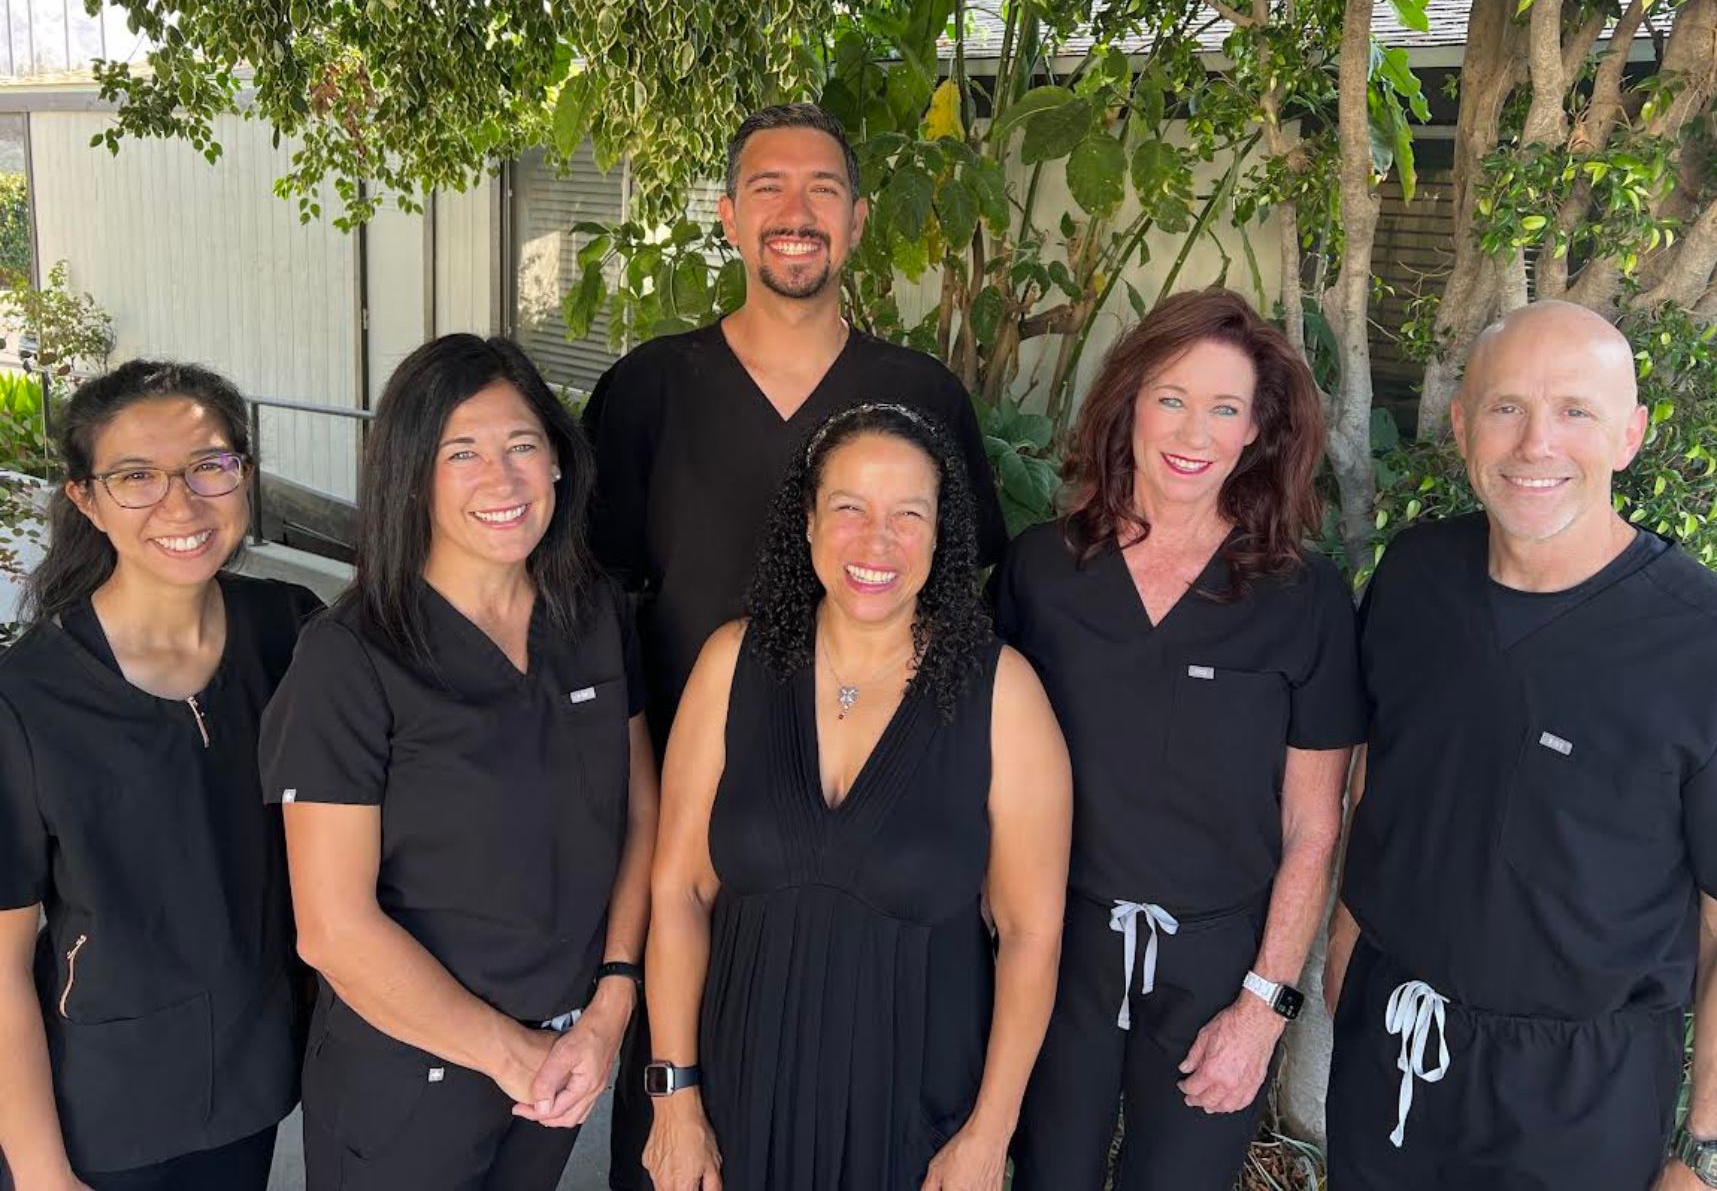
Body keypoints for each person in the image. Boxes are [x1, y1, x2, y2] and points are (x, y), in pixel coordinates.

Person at [583, 100, 1007, 1186]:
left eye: (822, 188)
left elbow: (962, 604)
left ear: (857, 220)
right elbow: (596, 608)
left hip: (880, 852)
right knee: (682, 1138)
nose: (795, 211)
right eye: (766, 186)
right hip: (698, 836)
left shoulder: (919, 396)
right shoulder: (648, 391)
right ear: (728, 217)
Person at [1325, 300, 1717, 1191]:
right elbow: (1383, 779)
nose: (1535, 444)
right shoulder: (1413, 577)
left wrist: (1709, 1159)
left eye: (1574, 411)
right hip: (1389, 1053)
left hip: (1578, 1099)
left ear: (1629, 435)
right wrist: (1346, 963)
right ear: (1460, 425)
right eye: (1506, 407)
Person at [259, 335, 658, 1191]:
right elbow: (333, 927)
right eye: (461, 453)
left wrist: (613, 1000)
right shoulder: (350, 657)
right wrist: (512, 1056)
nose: (501, 480)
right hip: (407, 1077)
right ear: (412, 475)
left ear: (559, 461)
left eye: (522, 445)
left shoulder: (592, 612)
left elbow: (639, 809)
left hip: (562, 1055)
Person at [641, 403, 1070, 1191]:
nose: (877, 541)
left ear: (940, 535)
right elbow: (678, 892)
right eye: (849, 508)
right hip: (735, 1101)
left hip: (913, 1120)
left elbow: (1030, 934)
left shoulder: (1002, 695)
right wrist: (675, 1101)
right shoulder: (730, 664)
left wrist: (988, 1134)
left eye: (908, 514)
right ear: (806, 521)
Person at [995, 289, 1363, 1188]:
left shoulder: (1301, 594)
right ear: (1128, 404)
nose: (1192, 432)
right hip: (1056, 947)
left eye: (1224, 408)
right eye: (1170, 398)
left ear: (1256, 431)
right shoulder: (1042, 569)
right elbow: (985, 772)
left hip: (1217, 966)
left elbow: (1312, 826)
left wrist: (1264, 1006)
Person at [0, 360, 321, 1190]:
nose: (181, 505)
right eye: (136, 477)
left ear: (244, 474)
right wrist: (41, 1172)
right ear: (85, 499)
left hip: (252, 1078)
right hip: (103, 1112)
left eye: (209, 465)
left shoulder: (290, 633)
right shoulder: (25, 699)